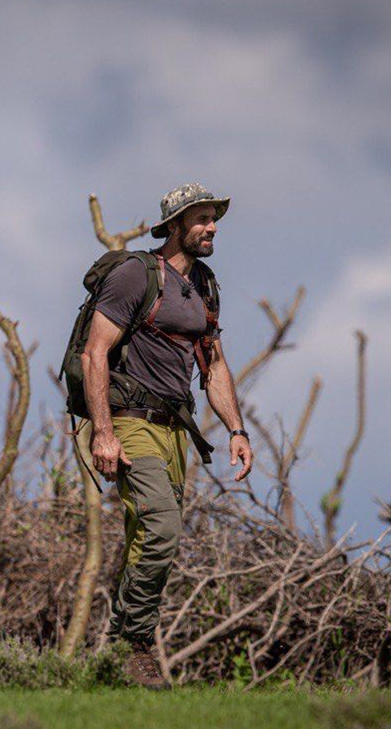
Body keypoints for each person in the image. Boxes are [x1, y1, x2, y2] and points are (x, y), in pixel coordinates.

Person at [80, 183, 253, 689]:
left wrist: (236, 429)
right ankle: (133, 646)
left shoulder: (205, 285)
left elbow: (214, 365)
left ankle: (113, 663)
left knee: (150, 538)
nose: (212, 227)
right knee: (161, 526)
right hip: (128, 419)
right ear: (175, 224)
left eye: (214, 218)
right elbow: (95, 354)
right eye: (201, 218)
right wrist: (104, 434)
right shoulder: (137, 275)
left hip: (175, 430)